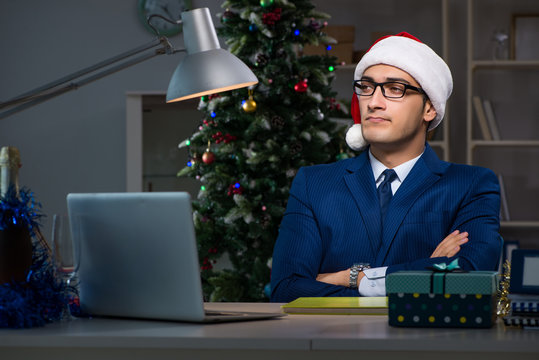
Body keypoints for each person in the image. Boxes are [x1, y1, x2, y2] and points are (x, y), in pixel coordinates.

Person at [270, 32, 501, 303]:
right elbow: (286, 289)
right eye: (366, 87)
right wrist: (425, 267)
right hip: (333, 341)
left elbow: (469, 276)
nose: (374, 102)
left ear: (429, 108)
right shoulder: (314, 183)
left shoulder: (471, 185)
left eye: (394, 89)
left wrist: (352, 277)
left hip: (425, 342)